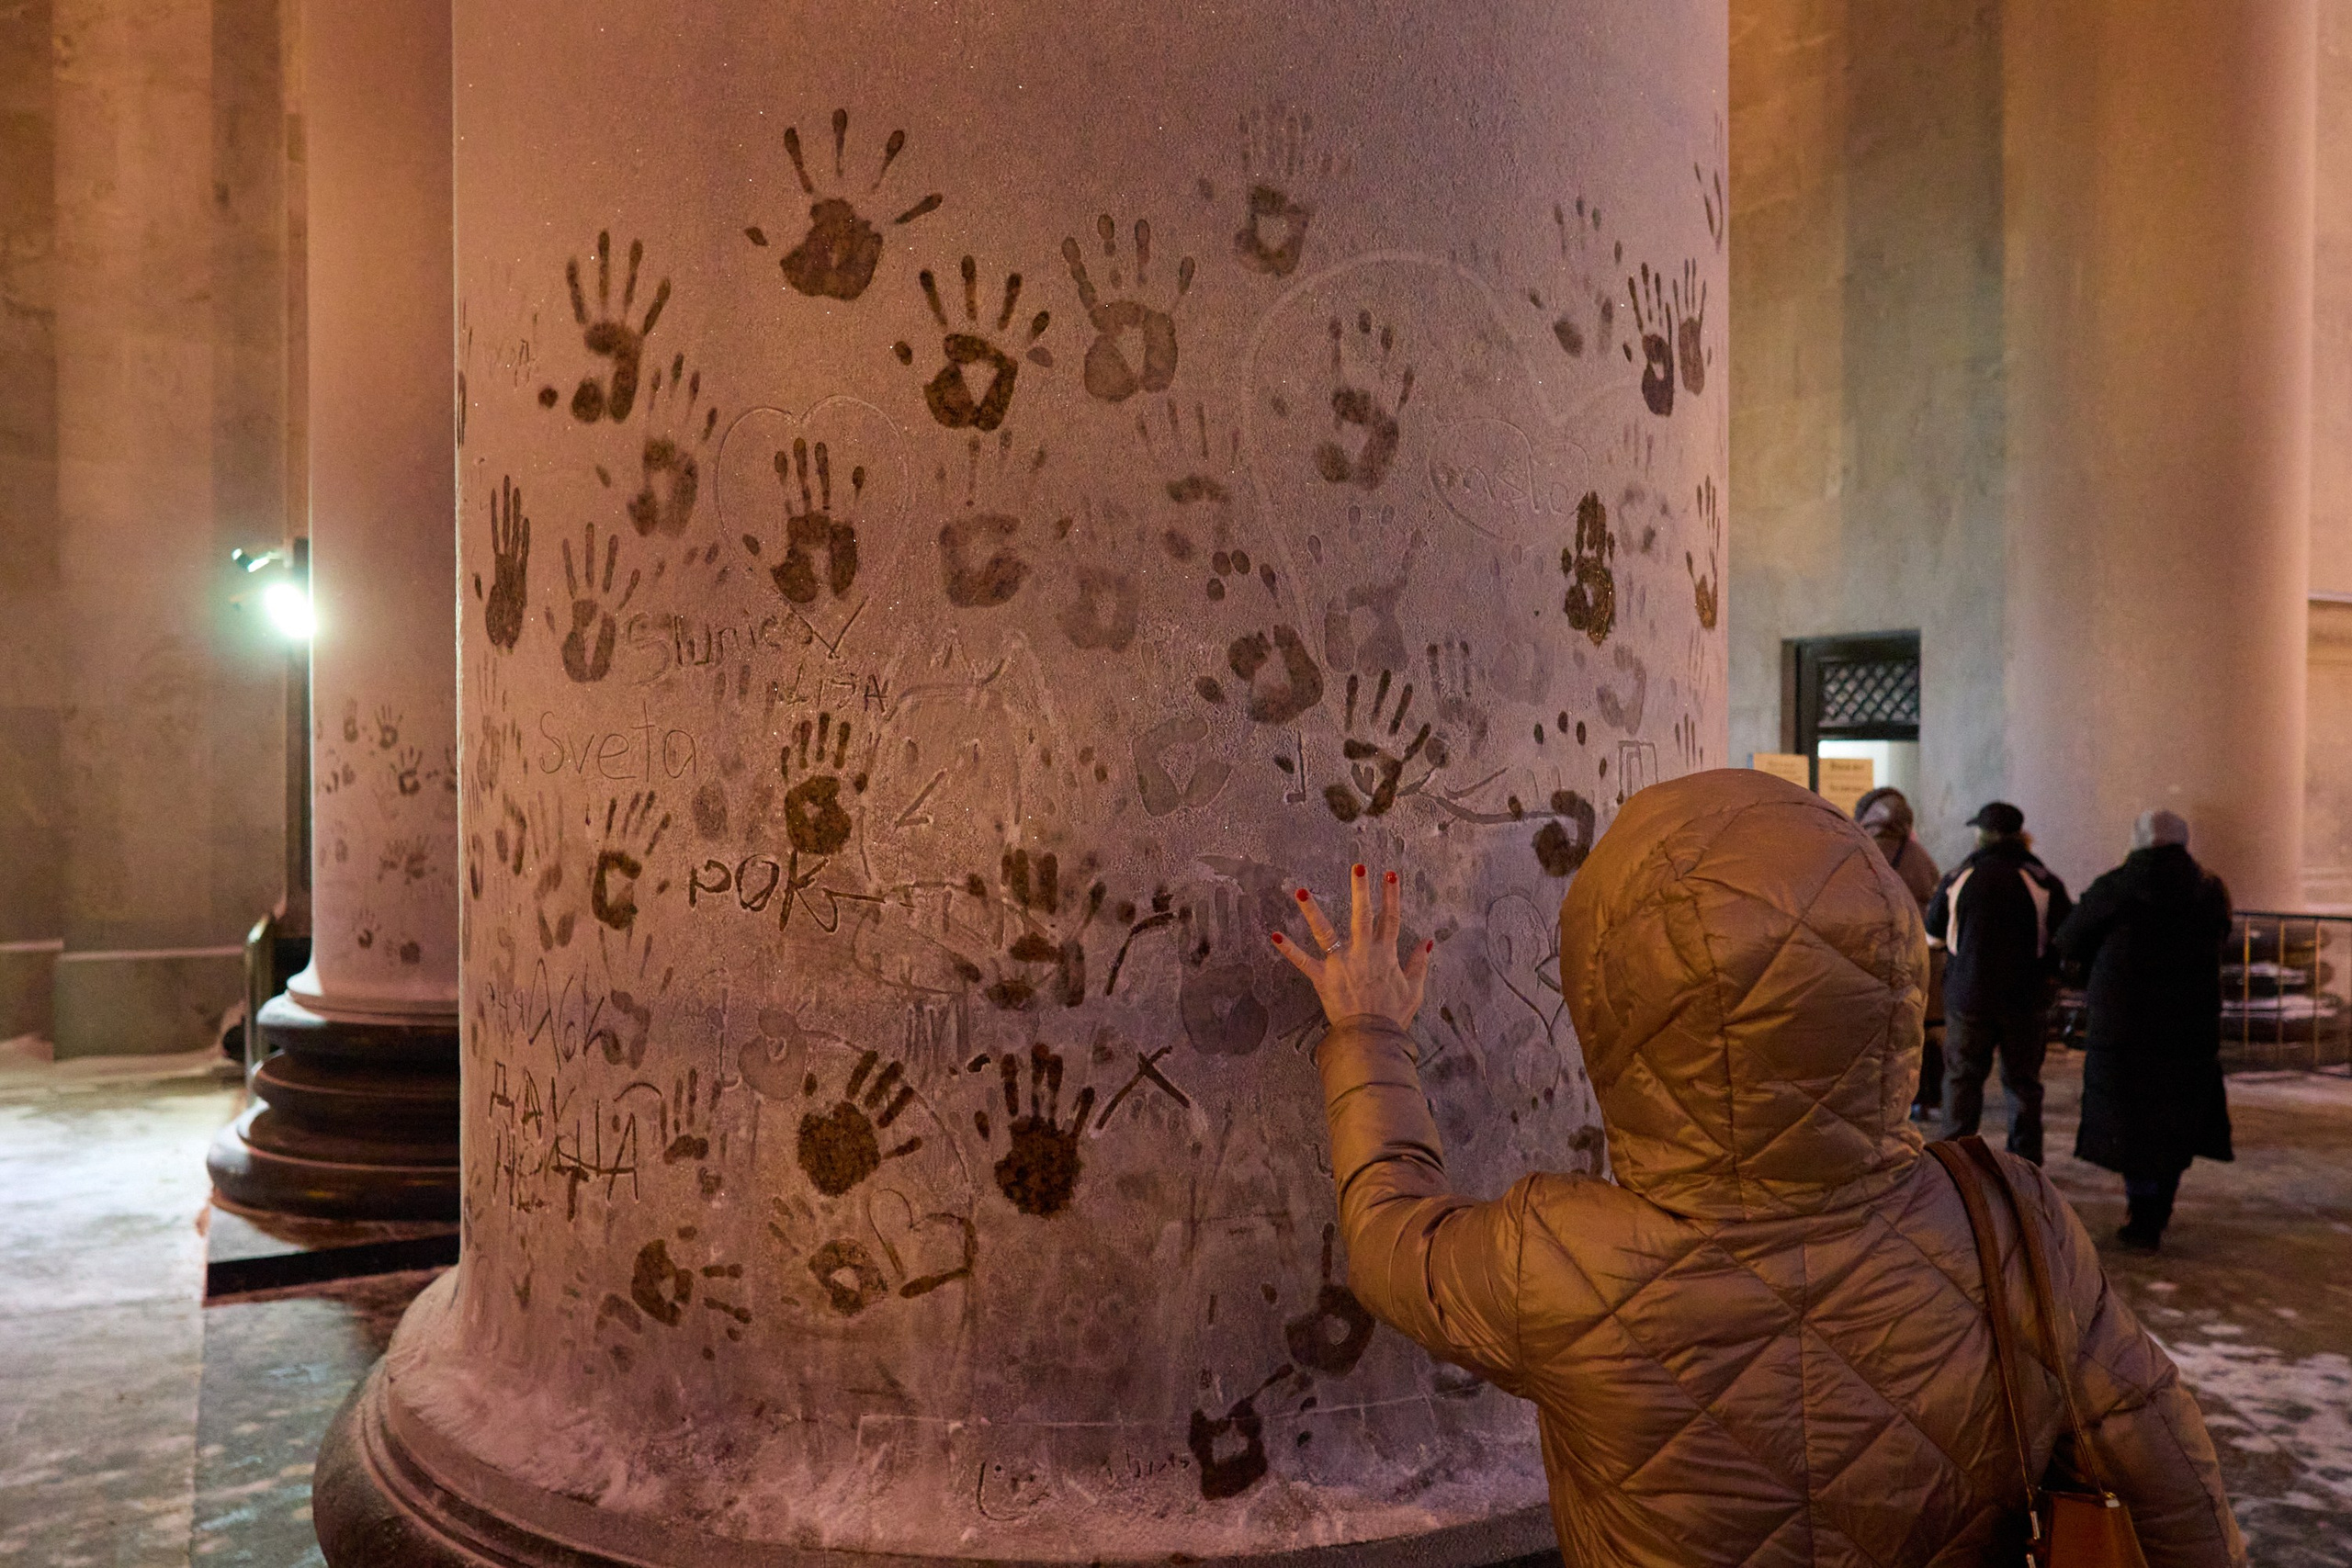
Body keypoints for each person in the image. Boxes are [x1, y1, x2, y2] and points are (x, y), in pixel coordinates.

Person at [1272, 771, 2241, 1565]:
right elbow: (2169, 1482)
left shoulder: (1560, 1261)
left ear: (1616, 1004)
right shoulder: (2005, 1213)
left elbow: (1392, 1229)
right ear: (1888, 981)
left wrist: (1365, 1030)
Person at [2055, 809, 2234, 1251]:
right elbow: (2222, 933)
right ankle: (2157, 1209)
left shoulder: (2114, 887)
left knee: (2132, 1117)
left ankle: (2142, 1208)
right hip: (2188, 1024)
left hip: (2125, 1023)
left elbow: (2069, 937)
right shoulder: (2209, 889)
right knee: (2174, 1115)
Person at [1926, 801, 2072, 1163]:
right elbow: (2065, 934)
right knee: (2022, 1081)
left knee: (1962, 1077)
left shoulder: (1960, 876)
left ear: (1984, 834)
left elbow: (1934, 936)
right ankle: (2024, 1160)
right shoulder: (2041, 879)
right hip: (2025, 998)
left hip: (1968, 995)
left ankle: (1954, 1159)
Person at [1854, 786, 1945, 1120]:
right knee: (1915, 1028)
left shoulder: (1857, 850)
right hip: (1914, 953)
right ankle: (1921, 1098)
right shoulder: (1919, 856)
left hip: (1866, 954)